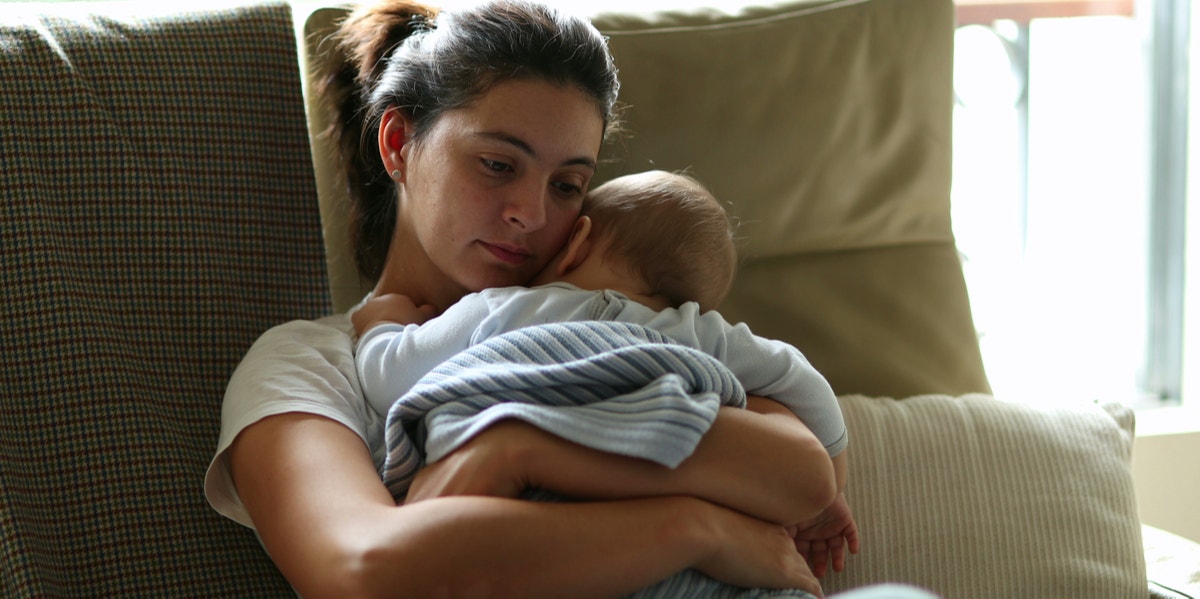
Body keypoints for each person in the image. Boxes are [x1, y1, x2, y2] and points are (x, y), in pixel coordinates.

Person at [203, 1, 933, 597]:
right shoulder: (310, 363)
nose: (530, 212)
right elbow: (362, 570)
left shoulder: (641, 320)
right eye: (497, 164)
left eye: (566, 184)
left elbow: (806, 474)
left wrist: (514, 450)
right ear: (398, 142)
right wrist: (697, 527)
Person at [352, 169, 860, 593]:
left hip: (528, 536)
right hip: (679, 541)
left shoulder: (505, 306)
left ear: (575, 243)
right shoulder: (698, 331)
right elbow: (797, 376)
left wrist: (381, 325)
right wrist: (831, 483)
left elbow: (391, 377)